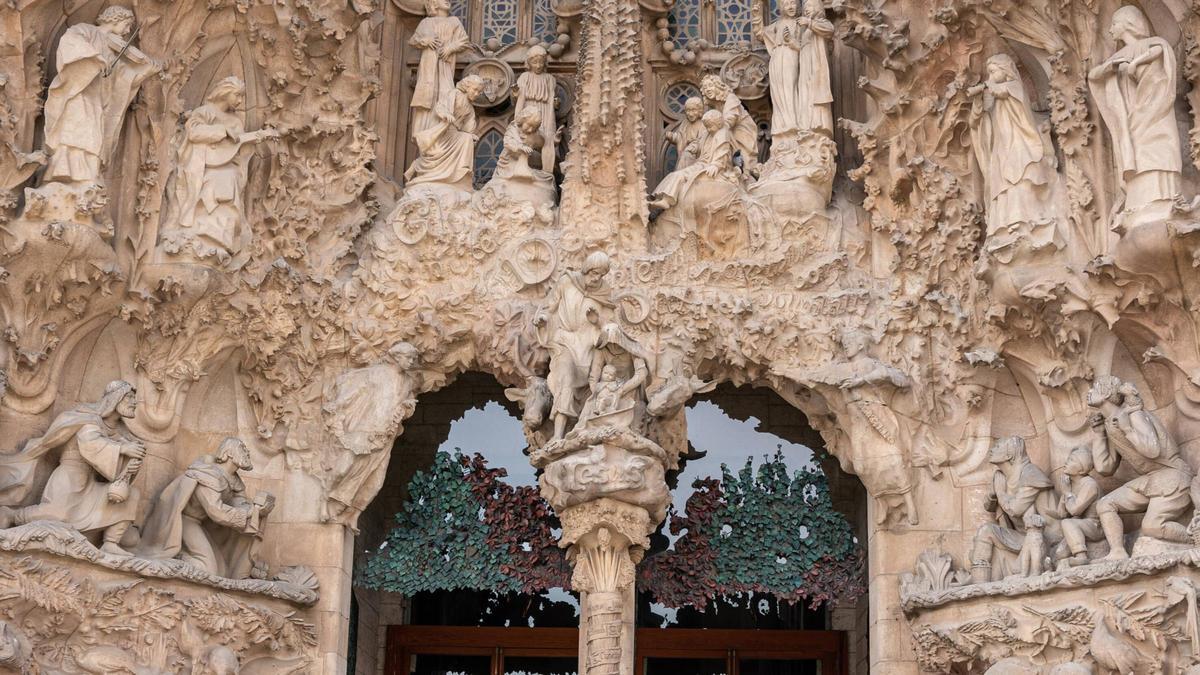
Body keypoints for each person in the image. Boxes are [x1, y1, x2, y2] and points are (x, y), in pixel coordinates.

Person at [0, 381, 145, 555]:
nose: (134, 402)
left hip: (90, 484)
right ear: (115, 399)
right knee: (58, 514)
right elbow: (91, 443)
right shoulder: (89, 418)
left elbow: (118, 457)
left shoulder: (117, 431)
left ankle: (110, 542)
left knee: (132, 496)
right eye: (129, 397)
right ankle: (11, 515)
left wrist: (132, 459)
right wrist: (123, 449)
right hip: (71, 476)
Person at [162, 76, 277, 267]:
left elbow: (236, 145)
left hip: (227, 167)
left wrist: (257, 137)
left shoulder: (236, 121)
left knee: (229, 183)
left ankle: (219, 237)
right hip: (202, 166)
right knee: (213, 184)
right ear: (225, 93)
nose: (240, 101)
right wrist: (221, 131)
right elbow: (194, 133)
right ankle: (199, 231)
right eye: (237, 95)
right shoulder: (205, 112)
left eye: (242, 97)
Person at [42, 6, 159, 184]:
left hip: (97, 98)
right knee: (75, 129)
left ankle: (88, 174)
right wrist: (94, 57)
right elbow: (70, 41)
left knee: (93, 133)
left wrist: (145, 70)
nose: (128, 31)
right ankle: (63, 170)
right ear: (114, 20)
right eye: (126, 25)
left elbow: (123, 79)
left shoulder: (114, 50)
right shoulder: (86, 30)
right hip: (79, 92)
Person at [1087, 375, 1196, 560]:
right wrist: (1099, 436)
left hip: (1172, 477)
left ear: (1105, 393)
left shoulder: (1133, 413)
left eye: (1095, 388)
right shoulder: (1111, 423)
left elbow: (1152, 449)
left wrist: (1128, 429)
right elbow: (1105, 468)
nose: (1089, 392)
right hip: (1152, 479)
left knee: (1152, 526)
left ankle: (1194, 539)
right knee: (1105, 504)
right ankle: (1118, 552)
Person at [1087, 6, 1182, 216]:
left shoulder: (1155, 44)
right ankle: (1140, 201)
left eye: (1114, 24)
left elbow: (1161, 54)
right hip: (1132, 118)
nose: (1110, 30)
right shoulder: (1118, 56)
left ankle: (1165, 199)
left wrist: (1136, 63)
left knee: (1157, 152)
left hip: (1155, 111)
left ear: (1128, 24)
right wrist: (1111, 67)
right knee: (1138, 155)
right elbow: (1094, 76)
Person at [137, 438, 275, 579]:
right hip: (183, 521)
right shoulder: (209, 474)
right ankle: (176, 558)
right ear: (229, 453)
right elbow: (216, 512)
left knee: (221, 572)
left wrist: (258, 509)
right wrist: (251, 512)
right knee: (208, 569)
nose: (247, 453)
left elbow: (239, 502)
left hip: (198, 524)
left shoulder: (234, 480)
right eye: (243, 449)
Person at [968, 54, 1057, 261]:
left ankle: (1030, 221)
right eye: (989, 72)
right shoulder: (993, 94)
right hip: (1001, 147)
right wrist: (978, 104)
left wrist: (987, 86)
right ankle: (1006, 225)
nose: (990, 76)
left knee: (1022, 179)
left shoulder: (1014, 86)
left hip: (1020, 142)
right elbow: (977, 122)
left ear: (1006, 70)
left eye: (993, 71)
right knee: (1003, 186)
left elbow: (1004, 92)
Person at [534, 252, 615, 440]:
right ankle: (558, 436)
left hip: (587, 348)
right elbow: (550, 307)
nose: (597, 278)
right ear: (586, 268)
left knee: (592, 388)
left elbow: (610, 326)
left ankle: (584, 429)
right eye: (594, 273)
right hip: (564, 342)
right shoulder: (566, 282)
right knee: (566, 379)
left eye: (601, 275)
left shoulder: (604, 292)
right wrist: (543, 319)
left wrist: (597, 320)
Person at [970, 436, 1061, 582]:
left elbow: (1015, 509)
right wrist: (993, 495)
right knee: (985, 531)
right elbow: (988, 506)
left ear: (1009, 455)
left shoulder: (1031, 473)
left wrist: (1000, 493)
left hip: (1048, 540)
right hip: (1023, 537)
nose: (992, 449)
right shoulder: (1002, 476)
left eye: (997, 446)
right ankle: (978, 584)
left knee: (987, 532)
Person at [405, 75, 485, 191]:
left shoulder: (470, 109)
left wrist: (472, 135)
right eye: (475, 90)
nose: (477, 94)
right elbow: (440, 107)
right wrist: (446, 114)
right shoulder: (455, 94)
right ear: (467, 87)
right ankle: (419, 165)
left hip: (455, 133)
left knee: (467, 139)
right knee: (443, 149)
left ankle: (461, 172)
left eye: (479, 92)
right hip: (444, 130)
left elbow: (469, 127)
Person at [649, 110, 738, 212]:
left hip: (709, 168)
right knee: (674, 175)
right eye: (706, 126)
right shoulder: (708, 133)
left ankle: (667, 200)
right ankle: (663, 198)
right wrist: (693, 148)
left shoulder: (722, 135)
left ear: (718, 123)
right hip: (701, 164)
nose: (708, 129)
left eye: (710, 126)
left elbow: (723, 153)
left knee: (680, 176)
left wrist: (716, 165)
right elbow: (698, 143)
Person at [408, 0, 469, 137]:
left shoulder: (454, 21)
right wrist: (425, 41)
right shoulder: (426, 22)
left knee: (445, 92)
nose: (447, 1)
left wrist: (450, 48)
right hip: (428, 66)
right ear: (434, 3)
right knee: (427, 96)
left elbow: (464, 40)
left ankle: (445, 129)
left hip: (445, 64)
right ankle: (424, 132)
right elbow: (413, 40)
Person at [1052, 446, 1103, 569]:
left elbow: (1075, 510)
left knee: (1067, 523)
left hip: (1095, 525)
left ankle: (1081, 556)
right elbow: (1062, 514)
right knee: (1059, 553)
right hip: (1079, 525)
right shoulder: (1070, 484)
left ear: (1081, 469)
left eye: (1072, 460)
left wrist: (1067, 493)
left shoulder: (1089, 484)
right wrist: (1065, 493)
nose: (1066, 462)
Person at [700, 75, 759, 176]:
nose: (708, 89)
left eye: (711, 85)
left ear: (719, 86)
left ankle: (745, 174)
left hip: (742, 131)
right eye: (705, 88)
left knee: (745, 162)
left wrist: (715, 128)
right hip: (727, 130)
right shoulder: (713, 104)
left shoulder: (731, 98)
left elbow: (729, 120)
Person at [515, 45, 558, 172]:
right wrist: (517, 119)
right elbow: (520, 98)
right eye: (534, 62)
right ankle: (524, 168)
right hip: (528, 110)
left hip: (545, 111)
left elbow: (551, 99)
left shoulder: (550, 79)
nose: (538, 66)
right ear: (529, 63)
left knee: (546, 139)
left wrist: (554, 110)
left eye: (541, 62)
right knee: (527, 137)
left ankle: (546, 171)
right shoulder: (525, 77)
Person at [665, 97, 705, 171]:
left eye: (693, 110)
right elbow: (681, 137)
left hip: (694, 156)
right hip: (683, 154)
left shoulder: (702, 124)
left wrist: (694, 146)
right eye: (688, 110)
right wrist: (673, 137)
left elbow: (703, 141)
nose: (690, 114)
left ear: (700, 110)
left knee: (687, 157)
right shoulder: (685, 123)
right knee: (684, 158)